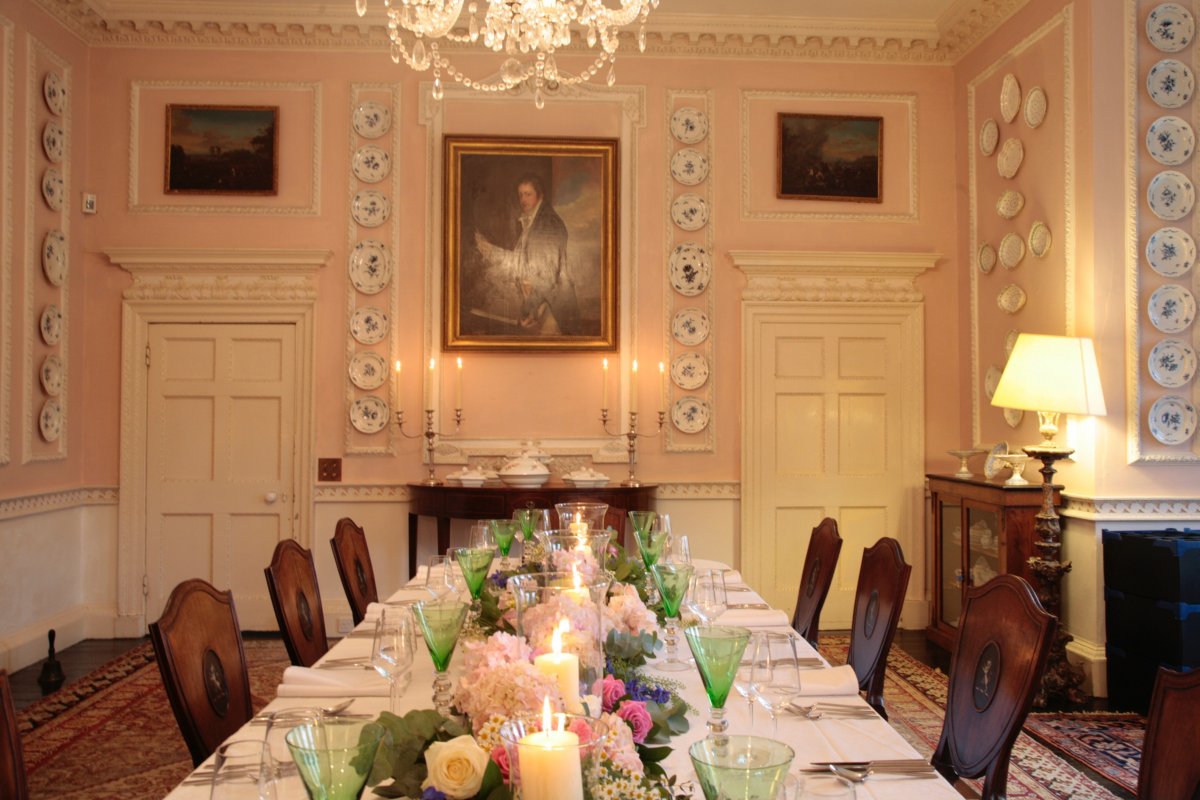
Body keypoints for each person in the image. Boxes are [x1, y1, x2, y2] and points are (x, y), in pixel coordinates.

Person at [474, 174, 580, 335]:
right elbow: (518, 263)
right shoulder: (532, 223)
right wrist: (490, 250)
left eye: (528, 194)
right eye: (520, 194)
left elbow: (547, 278)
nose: (523, 199)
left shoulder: (547, 223)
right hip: (539, 304)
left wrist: (528, 309)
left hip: (552, 309)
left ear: (540, 195)